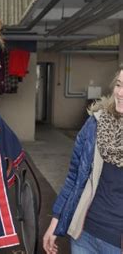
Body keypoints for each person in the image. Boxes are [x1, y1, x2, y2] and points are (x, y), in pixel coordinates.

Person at [43, 66, 123, 254]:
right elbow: (74, 178)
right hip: (84, 234)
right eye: (119, 85)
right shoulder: (96, 123)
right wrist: (56, 222)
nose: (120, 92)